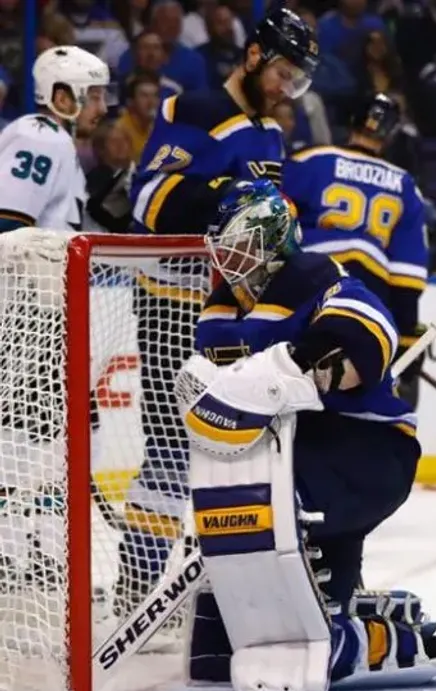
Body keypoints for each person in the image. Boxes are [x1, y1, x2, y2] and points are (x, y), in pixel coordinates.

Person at [180, 178, 436, 691]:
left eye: (242, 245)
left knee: (277, 513)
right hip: (292, 455)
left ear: (274, 239)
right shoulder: (219, 309)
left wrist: (303, 364)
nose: (230, 259)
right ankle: (347, 609)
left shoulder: (313, 275)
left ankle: (382, 638)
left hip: (366, 451)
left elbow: (371, 331)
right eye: (223, 247)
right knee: (223, 645)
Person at [118, 7, 319, 622]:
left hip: (231, 315)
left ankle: (230, 590)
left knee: (239, 449)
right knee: (170, 453)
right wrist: (229, 195)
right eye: (283, 73)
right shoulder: (197, 110)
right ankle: (136, 593)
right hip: (171, 304)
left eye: (297, 81)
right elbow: (149, 200)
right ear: (254, 56)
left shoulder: (270, 132)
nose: (286, 89)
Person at [0, 45, 110, 589]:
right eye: (95, 95)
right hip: (25, 309)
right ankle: (7, 548)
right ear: (62, 96)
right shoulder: (39, 136)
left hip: (46, 310)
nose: (102, 107)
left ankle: (41, 546)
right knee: (19, 432)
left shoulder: (59, 142)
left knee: (50, 432)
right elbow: (8, 221)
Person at [283, 93, 431, 407]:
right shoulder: (404, 185)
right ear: (391, 134)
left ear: (351, 122)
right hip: (368, 292)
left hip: (308, 280)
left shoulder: (310, 160)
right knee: (354, 397)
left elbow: (272, 219)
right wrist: (405, 337)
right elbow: (406, 278)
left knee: (290, 380)